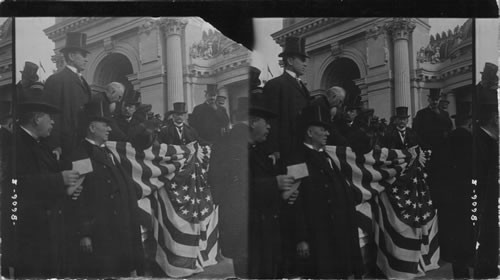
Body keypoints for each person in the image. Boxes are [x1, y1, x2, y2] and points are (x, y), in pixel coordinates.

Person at [70, 101, 144, 278]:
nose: (110, 130)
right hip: (102, 231)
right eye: (106, 125)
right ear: (92, 128)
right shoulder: (81, 154)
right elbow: (79, 196)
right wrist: (84, 233)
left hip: (121, 224)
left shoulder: (107, 152)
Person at [14, 90, 82, 278]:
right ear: (37, 119)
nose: (53, 122)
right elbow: (14, 184)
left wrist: (68, 189)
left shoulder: (40, 144)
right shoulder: (15, 144)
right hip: (31, 235)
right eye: (49, 118)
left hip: (50, 231)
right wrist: (59, 179)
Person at [292, 105, 363, 278]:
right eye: (323, 130)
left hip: (337, 233)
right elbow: (296, 201)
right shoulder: (298, 159)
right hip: (318, 236)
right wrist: (302, 238)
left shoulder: (326, 156)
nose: (327, 134)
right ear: (309, 132)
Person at [248, 93, 296, 278]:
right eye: (266, 121)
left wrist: (283, 194)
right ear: (253, 122)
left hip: (266, 232)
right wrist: (274, 183)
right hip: (250, 236)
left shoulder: (259, 151)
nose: (269, 127)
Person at [208, 96, 249, 277]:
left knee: (238, 248)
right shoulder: (256, 138)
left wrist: (218, 198)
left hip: (231, 201)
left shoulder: (224, 139)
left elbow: (214, 173)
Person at [437, 102, 474, 278]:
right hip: (467, 192)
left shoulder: (446, 140)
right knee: (468, 230)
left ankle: (459, 269)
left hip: (449, 195)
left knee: (455, 232)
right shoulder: (471, 140)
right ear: (469, 123)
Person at [263, 36, 310, 168]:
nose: (305, 63)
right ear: (289, 60)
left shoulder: (302, 86)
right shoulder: (275, 85)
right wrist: (273, 149)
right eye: (302, 60)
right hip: (285, 152)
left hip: (302, 149)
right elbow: (271, 120)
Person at [44, 32, 92, 161]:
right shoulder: (56, 80)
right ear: (71, 56)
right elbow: (51, 115)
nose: (86, 59)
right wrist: (55, 145)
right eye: (83, 55)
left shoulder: (83, 81)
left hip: (83, 145)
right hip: (66, 148)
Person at [473, 64, 499, 278]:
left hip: (491, 189)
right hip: (485, 190)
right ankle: (485, 265)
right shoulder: (483, 138)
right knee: (486, 225)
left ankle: (490, 263)